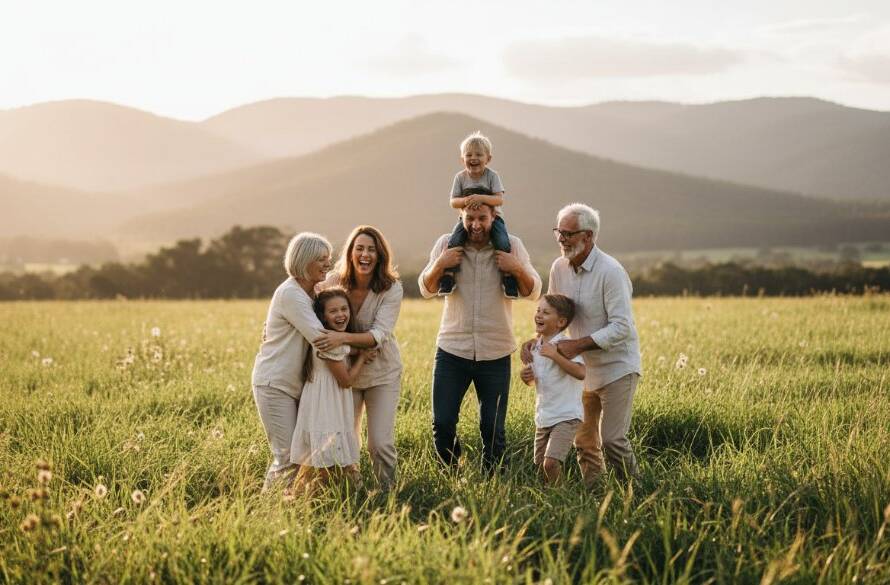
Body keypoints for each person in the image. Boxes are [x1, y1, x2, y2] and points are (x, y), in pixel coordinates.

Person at [523, 203, 642, 484]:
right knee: (585, 442)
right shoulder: (558, 268)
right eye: (558, 232)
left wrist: (577, 345)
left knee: (612, 440)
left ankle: (636, 493)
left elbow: (623, 327)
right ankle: (597, 496)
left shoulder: (610, 271)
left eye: (568, 233)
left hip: (616, 368)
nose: (561, 239)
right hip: (577, 371)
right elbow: (552, 313)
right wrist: (536, 343)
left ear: (588, 237)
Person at [419, 203, 542, 472]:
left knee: (493, 428)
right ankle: (450, 475)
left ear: (494, 216)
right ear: (460, 217)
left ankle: (495, 480)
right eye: (470, 218)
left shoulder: (511, 245)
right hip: (452, 350)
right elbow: (426, 289)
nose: (476, 224)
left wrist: (515, 267)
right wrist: (441, 263)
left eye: (482, 218)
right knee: (442, 422)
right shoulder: (445, 244)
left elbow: (533, 291)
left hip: (495, 352)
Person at [314, 226, 403, 489]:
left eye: (371, 249)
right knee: (345, 439)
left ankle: (387, 493)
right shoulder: (332, 281)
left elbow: (379, 334)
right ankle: (355, 492)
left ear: (380, 255)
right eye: (360, 248)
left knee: (380, 442)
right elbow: (303, 302)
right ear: (351, 253)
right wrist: (273, 324)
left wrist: (342, 338)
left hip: (382, 372)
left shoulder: (391, 288)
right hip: (345, 372)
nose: (365, 254)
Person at [251, 232, 332, 491]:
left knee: (301, 457)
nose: (327, 264)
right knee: (287, 458)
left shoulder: (314, 291)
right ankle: (267, 514)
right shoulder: (291, 294)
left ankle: (293, 508)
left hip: (295, 385)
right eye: (321, 259)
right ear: (304, 260)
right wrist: (363, 344)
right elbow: (320, 338)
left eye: (328, 259)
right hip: (275, 384)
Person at [290, 288, 376, 488]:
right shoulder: (328, 342)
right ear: (323, 317)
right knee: (325, 457)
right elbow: (346, 380)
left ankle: (342, 490)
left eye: (344, 309)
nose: (340, 315)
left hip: (329, 398)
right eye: (333, 311)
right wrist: (362, 358)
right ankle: (320, 495)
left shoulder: (335, 339)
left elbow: (346, 348)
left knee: (329, 456)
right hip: (325, 402)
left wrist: (356, 349)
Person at [438, 131, 519, 299]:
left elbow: (499, 200)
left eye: (478, 154)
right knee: (454, 241)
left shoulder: (492, 176)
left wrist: (481, 198)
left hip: (493, 218)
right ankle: (449, 276)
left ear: (488, 159)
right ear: (462, 159)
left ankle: (508, 277)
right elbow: (453, 202)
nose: (473, 158)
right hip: (465, 219)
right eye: (469, 155)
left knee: (502, 240)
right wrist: (467, 201)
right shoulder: (460, 178)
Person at [519, 294, 586, 484]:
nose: (539, 315)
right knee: (541, 467)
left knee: (550, 464)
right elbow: (536, 380)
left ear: (561, 322)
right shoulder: (534, 347)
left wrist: (555, 356)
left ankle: (564, 501)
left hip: (566, 416)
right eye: (538, 310)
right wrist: (526, 378)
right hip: (544, 417)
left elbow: (581, 373)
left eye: (546, 312)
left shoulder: (565, 346)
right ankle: (552, 503)